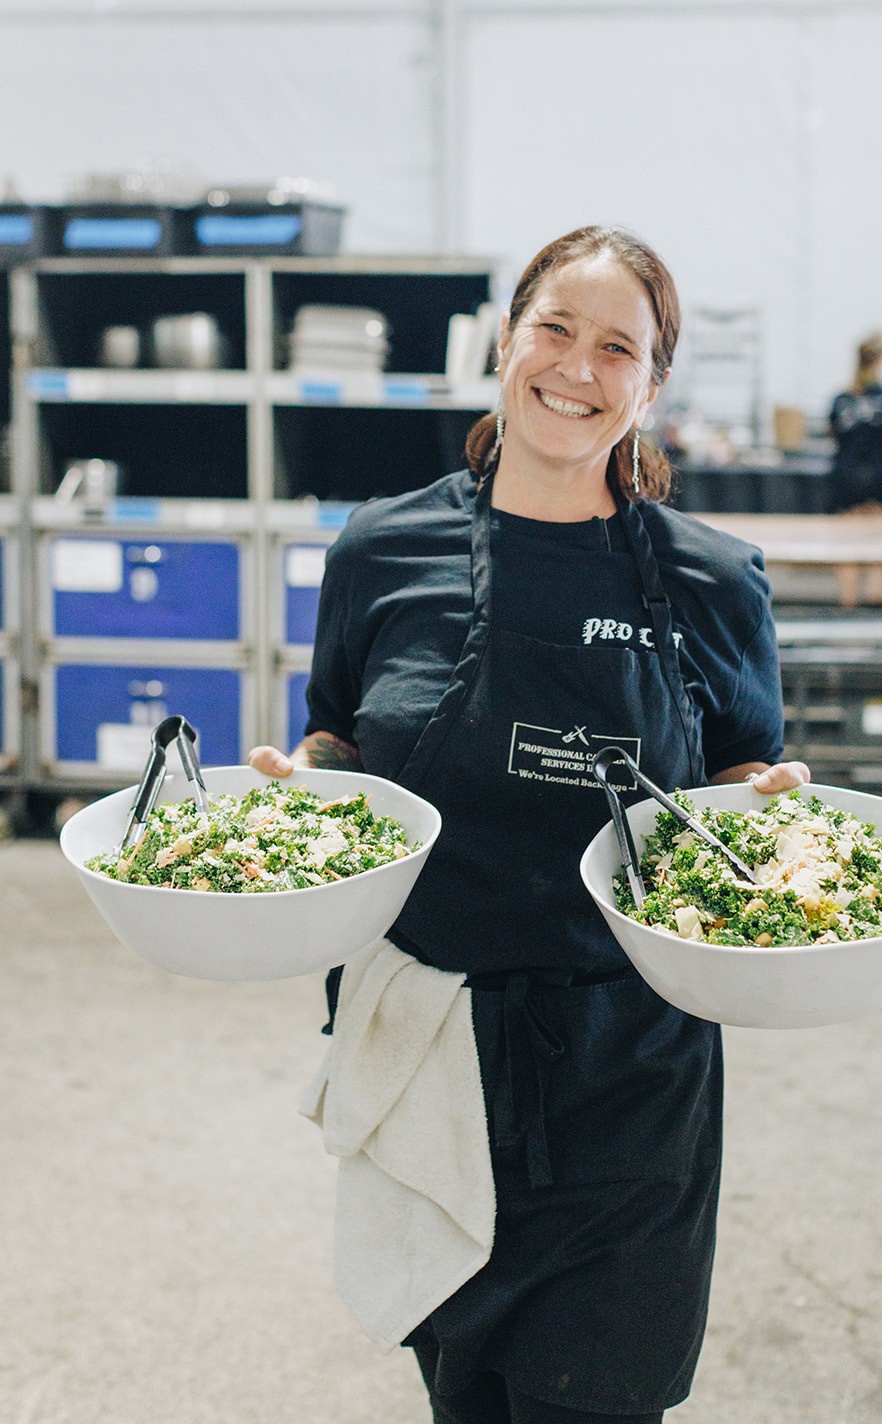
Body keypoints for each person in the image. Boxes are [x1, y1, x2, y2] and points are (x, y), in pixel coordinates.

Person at [249, 224, 809, 1424]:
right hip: (427, 1046)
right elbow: (341, 736)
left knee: (593, 1402)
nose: (576, 365)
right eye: (554, 326)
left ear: (650, 386)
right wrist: (301, 785)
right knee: (466, 1399)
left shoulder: (711, 580)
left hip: (629, 1068)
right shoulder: (381, 547)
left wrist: (768, 809)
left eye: (619, 346)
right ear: (507, 337)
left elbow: (740, 766)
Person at [826, 332, 882, 609]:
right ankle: (875, 608)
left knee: (848, 548)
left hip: (848, 478)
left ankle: (849, 606)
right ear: (880, 362)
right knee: (881, 548)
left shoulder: (841, 400)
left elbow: (832, 433)